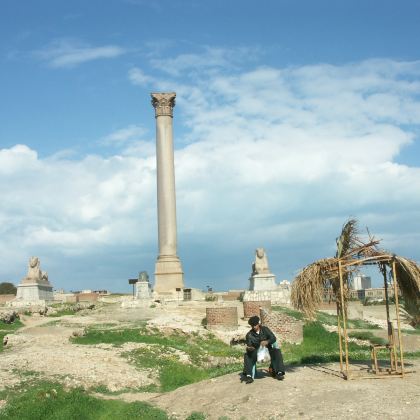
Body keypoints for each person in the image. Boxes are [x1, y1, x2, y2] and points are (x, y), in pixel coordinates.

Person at [242, 315, 286, 384]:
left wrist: (267, 342)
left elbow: (273, 338)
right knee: (247, 355)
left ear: (258, 323)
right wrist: (249, 348)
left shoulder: (265, 329)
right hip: (256, 353)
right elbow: (249, 346)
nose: (254, 327)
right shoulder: (249, 335)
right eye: (252, 325)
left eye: (255, 325)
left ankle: (279, 373)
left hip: (268, 351)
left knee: (277, 351)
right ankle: (249, 376)